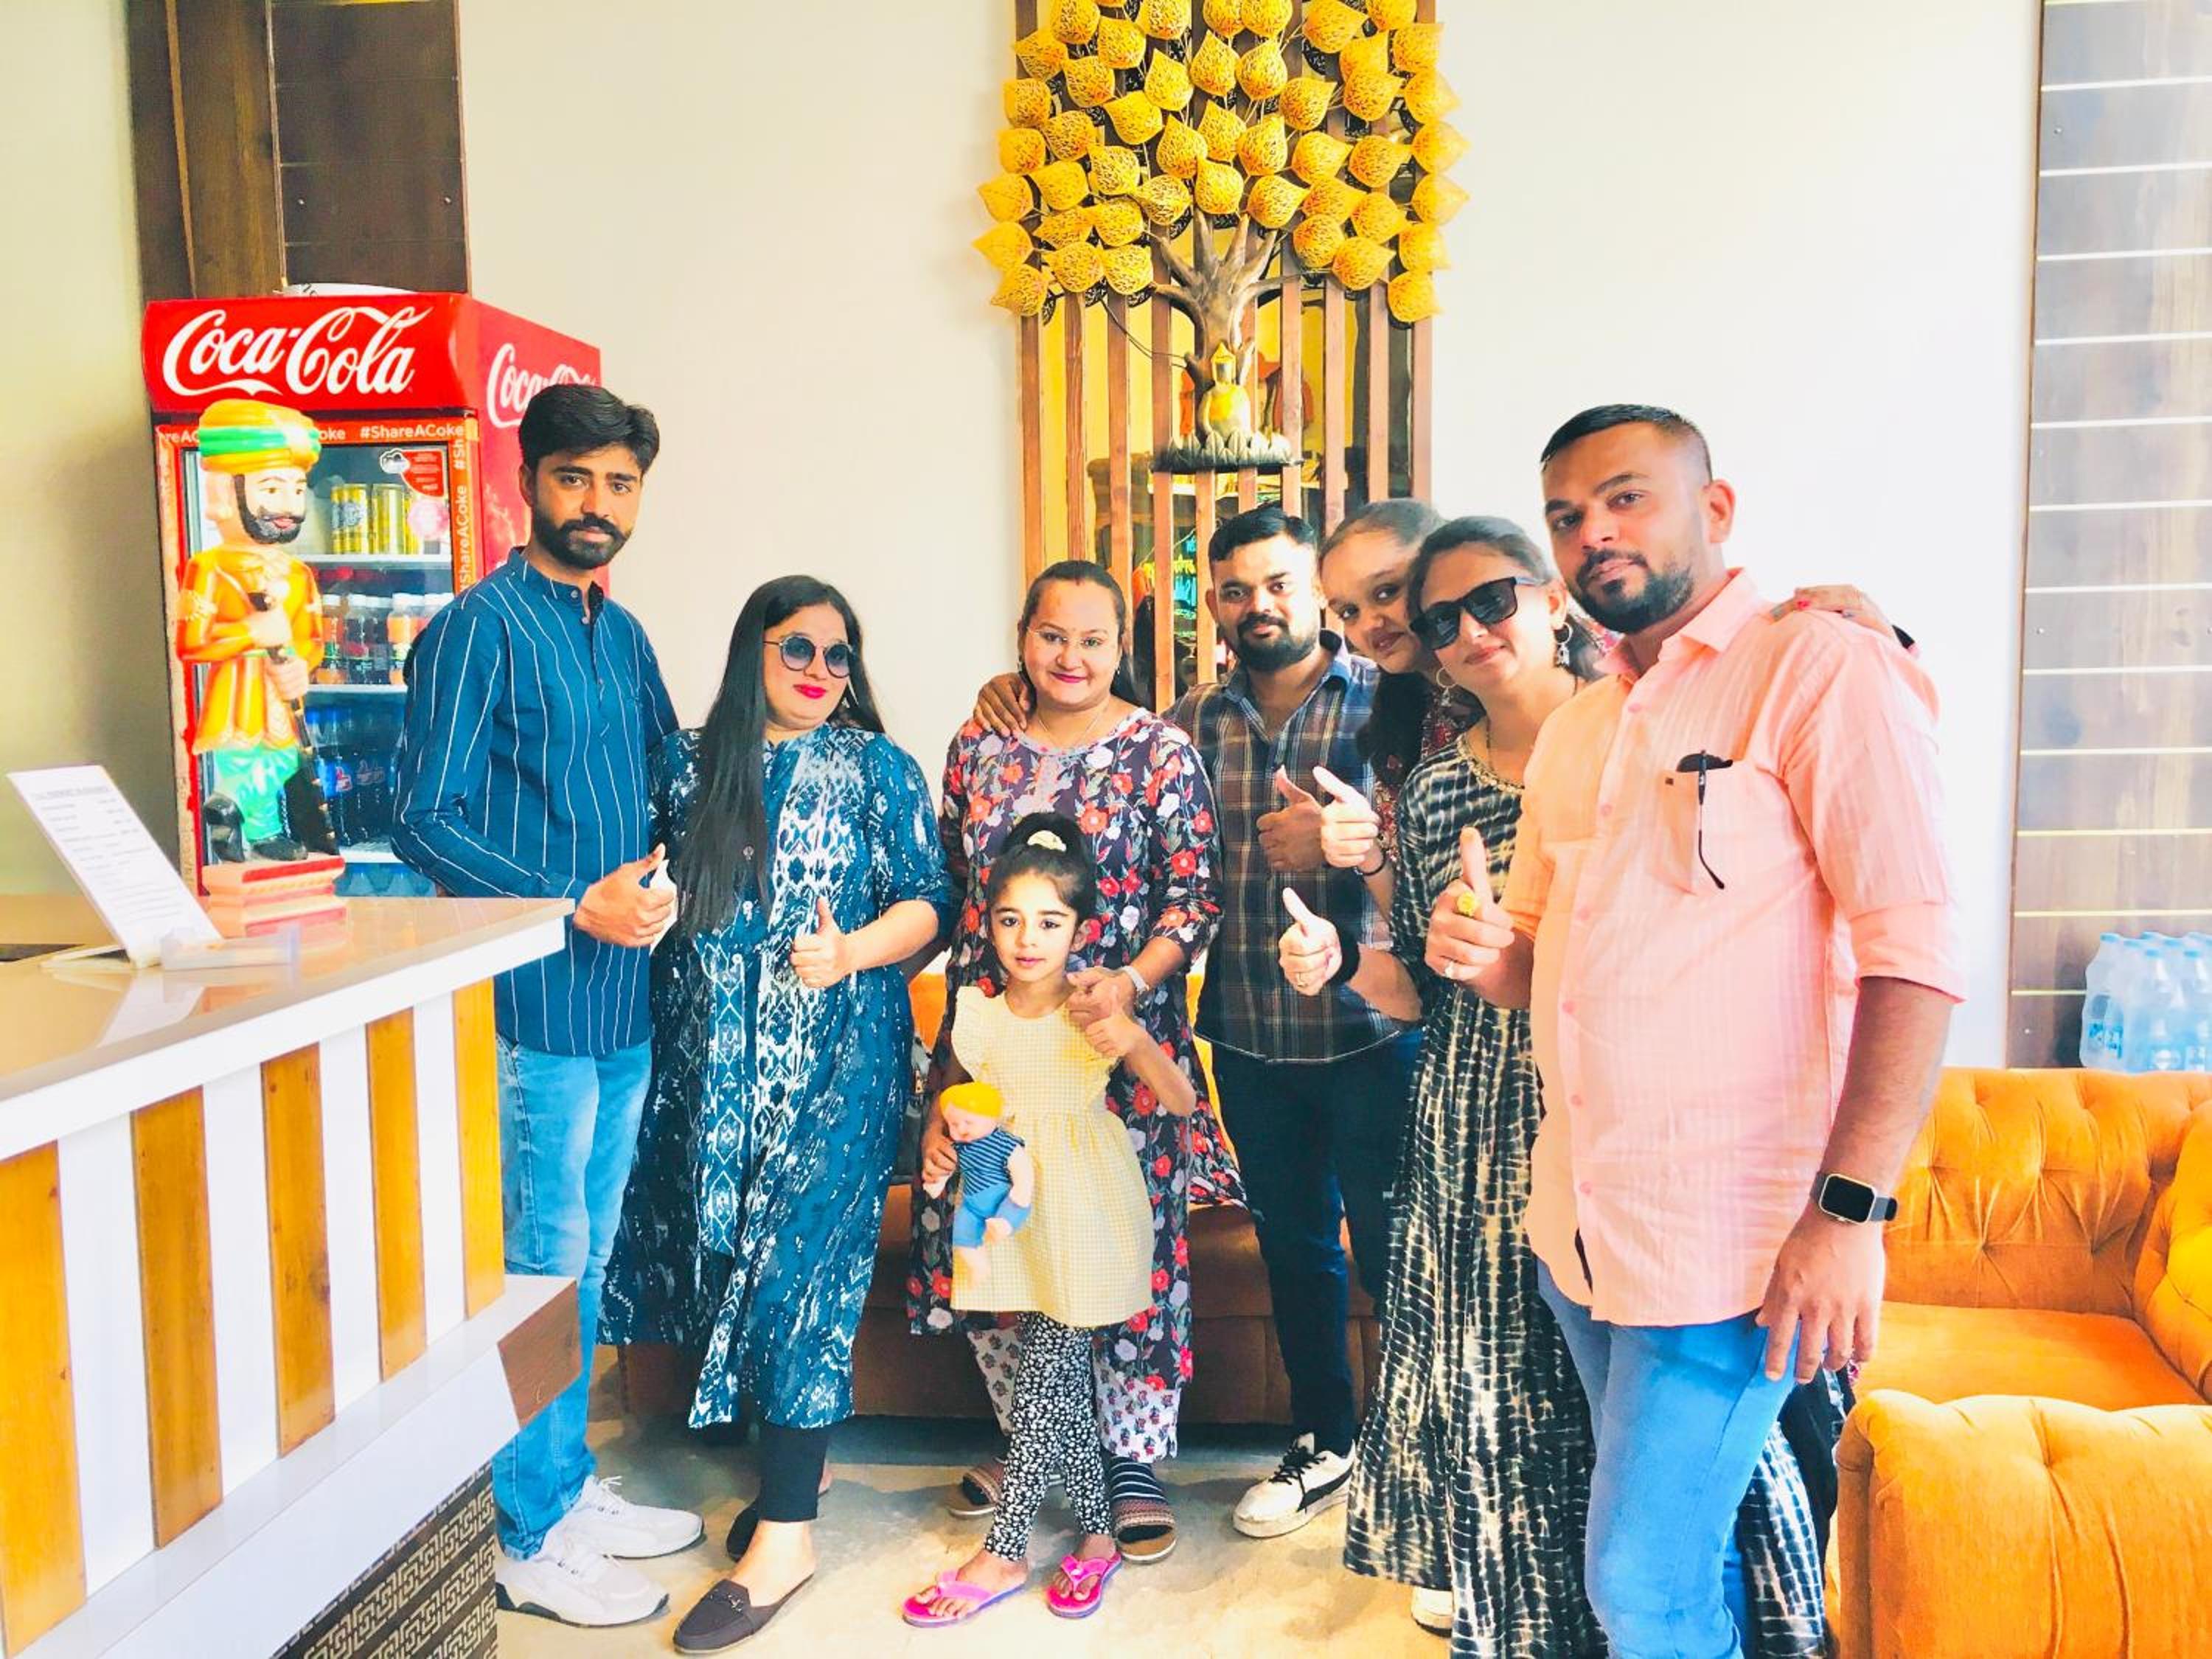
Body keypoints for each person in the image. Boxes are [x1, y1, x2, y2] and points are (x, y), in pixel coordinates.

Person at [1427, 405, 1962, 1657]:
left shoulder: (1816, 667)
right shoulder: (1581, 727)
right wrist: (1482, 953)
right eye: (1567, 515)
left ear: (1714, 510)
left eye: (1627, 498)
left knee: (1638, 1580)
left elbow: (1916, 960)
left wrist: (1848, 1217)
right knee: (1676, 1558)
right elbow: (1537, 962)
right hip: (1584, 1227)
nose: (1594, 534)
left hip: (1736, 1245)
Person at [390, 383, 700, 1630]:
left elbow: (672, 777)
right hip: (532, 1006)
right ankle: (524, 1532)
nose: (597, 503)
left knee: (589, 1261)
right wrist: (573, 901)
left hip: (624, 1002)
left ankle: (564, 1490)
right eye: (576, 477)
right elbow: (421, 818)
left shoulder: (621, 636)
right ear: (530, 483)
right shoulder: (476, 629)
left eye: (620, 483)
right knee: (540, 1269)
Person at [594, 577, 952, 1652]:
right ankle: (800, 1464)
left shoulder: (878, 767)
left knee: (803, 1273)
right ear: (753, 647)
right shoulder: (684, 763)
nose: (821, 670)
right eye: (798, 646)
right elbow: (638, 881)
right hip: (707, 1070)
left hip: (841, 1061)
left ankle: (786, 1537)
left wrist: (852, 950)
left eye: (840, 654)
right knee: (727, 1260)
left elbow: (932, 900)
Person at [919, 560, 1237, 1564]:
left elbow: (1195, 896)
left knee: (1121, 1242)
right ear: (1023, 636)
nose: (1071, 656)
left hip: (1112, 1040)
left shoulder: (1160, 750)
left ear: (1118, 648)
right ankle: (1036, 1441)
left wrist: (1131, 987)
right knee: (999, 1235)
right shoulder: (978, 744)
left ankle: (1131, 1458)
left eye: (1093, 640)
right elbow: (957, 881)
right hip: (994, 1040)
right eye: (1052, 635)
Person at [1168, 506, 1422, 1540]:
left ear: (1317, 589)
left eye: (1277, 584)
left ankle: (1420, 1456)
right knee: (1295, 1248)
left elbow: (1437, 855)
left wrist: (1346, 843)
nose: (1257, 606)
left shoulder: (1390, 700)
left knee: (1400, 1251)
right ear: (1215, 607)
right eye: (1235, 590)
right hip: (1248, 1035)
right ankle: (1326, 1438)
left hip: (1375, 1032)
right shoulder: (1191, 720)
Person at [902, 814, 1199, 1627]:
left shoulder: (1091, 1009)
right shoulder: (975, 1010)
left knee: (1047, 1368)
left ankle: (1004, 1549)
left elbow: (1180, 1101)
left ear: (1078, 927)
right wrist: (941, 1142)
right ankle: (1098, 1538)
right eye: (1009, 920)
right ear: (988, 923)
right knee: (1056, 1378)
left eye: (1048, 921)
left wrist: (1132, 1035)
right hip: (1010, 1211)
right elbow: (957, 1101)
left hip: (1087, 1209)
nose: (1027, 939)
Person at [175, 398, 332, 860]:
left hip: (280, 695)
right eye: (272, 489)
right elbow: (191, 643)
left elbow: (311, 638)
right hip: (237, 696)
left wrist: (302, 664)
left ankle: (246, 820)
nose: (288, 506)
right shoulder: (209, 568)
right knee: (246, 758)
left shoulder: (298, 573)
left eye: (297, 490)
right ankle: (238, 809)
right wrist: (250, 632)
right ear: (225, 493)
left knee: (284, 759)